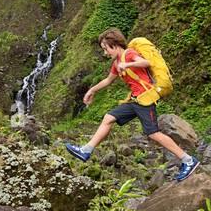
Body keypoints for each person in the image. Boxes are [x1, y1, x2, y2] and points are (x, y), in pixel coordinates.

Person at [64, 28, 199, 181]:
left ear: (114, 44)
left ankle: (188, 160)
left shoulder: (128, 54)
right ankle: (86, 150)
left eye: (106, 49)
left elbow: (146, 62)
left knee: (153, 133)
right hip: (134, 100)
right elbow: (108, 80)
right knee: (109, 117)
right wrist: (91, 91)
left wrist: (127, 65)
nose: (105, 53)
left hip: (145, 99)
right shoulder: (116, 63)